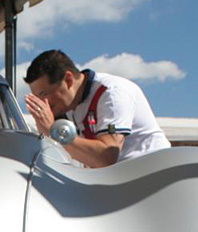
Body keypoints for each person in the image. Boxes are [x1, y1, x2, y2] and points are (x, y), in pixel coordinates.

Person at [24, 49, 170, 167]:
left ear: (68, 80)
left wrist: (54, 131)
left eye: (44, 94)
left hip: (153, 175)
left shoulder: (112, 93)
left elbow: (106, 157)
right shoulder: (70, 106)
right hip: (122, 177)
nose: (42, 103)